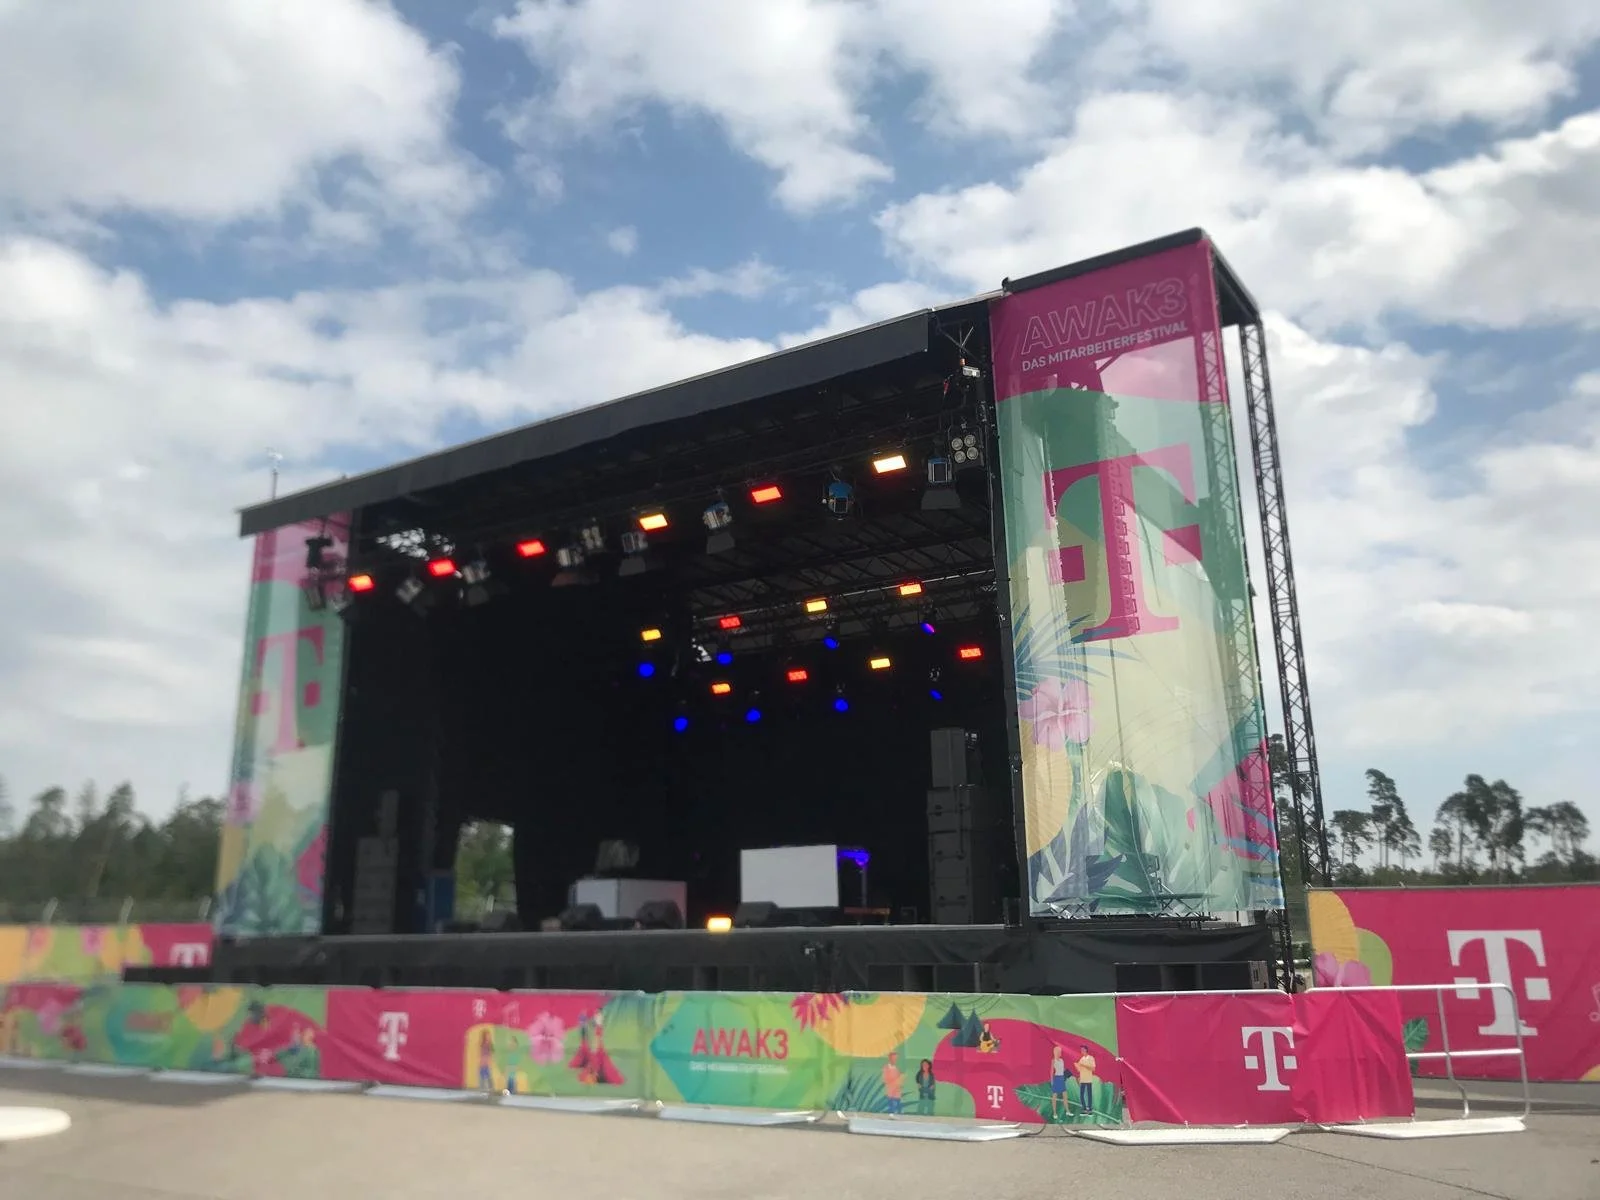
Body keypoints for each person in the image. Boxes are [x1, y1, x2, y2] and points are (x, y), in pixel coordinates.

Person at [1074, 1044, 1098, 1116]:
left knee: (1089, 1095)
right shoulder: (1081, 1059)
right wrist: (1076, 1066)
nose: (1081, 1051)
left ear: (1086, 1050)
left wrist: (1083, 1065)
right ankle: (1084, 1109)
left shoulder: (1091, 1058)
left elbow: (1093, 1069)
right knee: (1081, 1095)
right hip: (1082, 1079)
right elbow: (1079, 1070)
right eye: (1081, 1050)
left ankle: (1090, 1109)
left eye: (1083, 1050)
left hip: (1088, 1079)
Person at [1049, 1045, 1068, 1120]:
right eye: (1059, 1052)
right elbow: (1051, 1071)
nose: (1060, 1053)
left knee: (1065, 1095)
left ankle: (1067, 1110)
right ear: (1056, 1052)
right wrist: (1052, 1081)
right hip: (1056, 1078)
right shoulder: (1053, 1060)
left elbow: (1063, 1069)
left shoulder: (1062, 1060)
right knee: (1055, 1096)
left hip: (1062, 1078)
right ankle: (1054, 1112)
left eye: (1060, 1052)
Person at [882, 1051, 904, 1116]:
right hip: (890, 1087)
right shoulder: (886, 1067)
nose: (894, 1060)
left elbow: (899, 1077)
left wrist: (900, 1081)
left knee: (897, 1099)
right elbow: (885, 1077)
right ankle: (891, 1112)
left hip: (897, 1088)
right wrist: (891, 1082)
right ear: (889, 1058)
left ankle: (897, 1112)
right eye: (893, 1058)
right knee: (891, 1099)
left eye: (895, 1058)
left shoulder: (896, 1068)